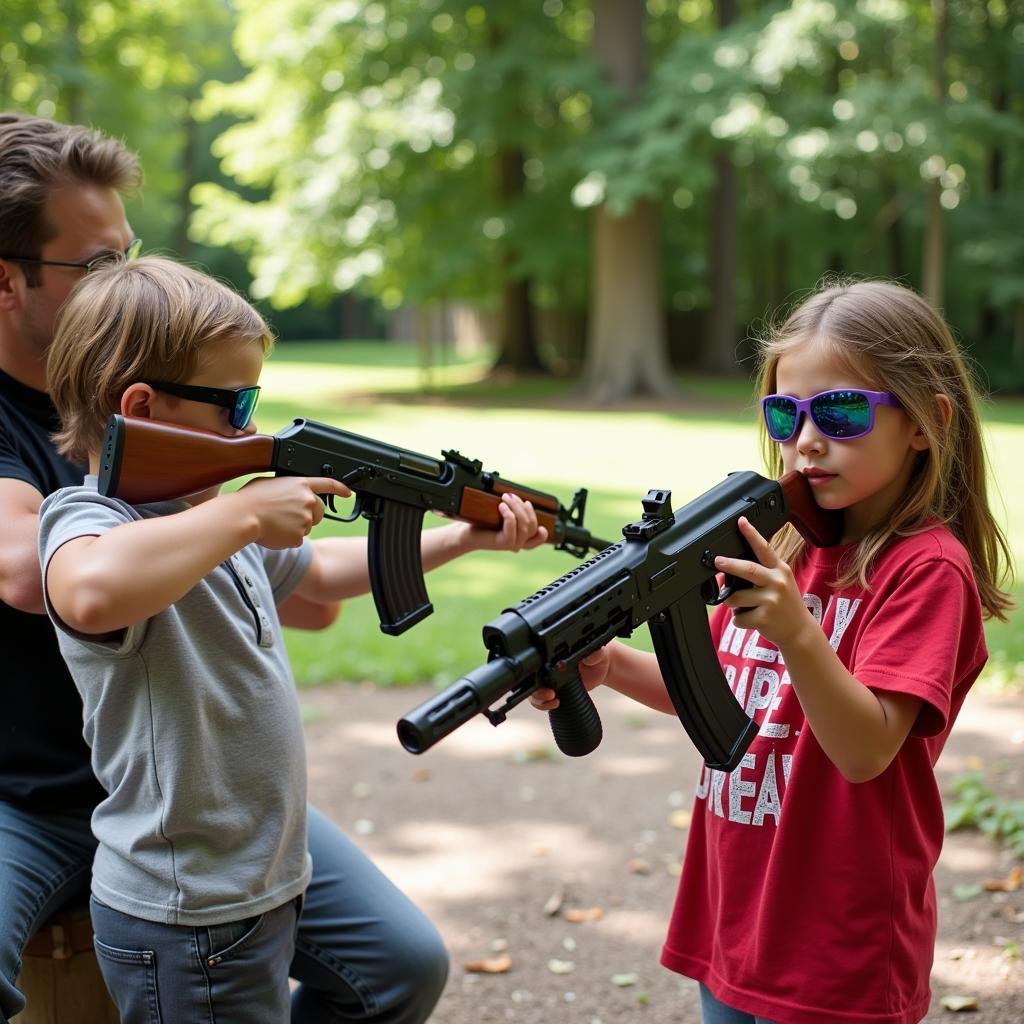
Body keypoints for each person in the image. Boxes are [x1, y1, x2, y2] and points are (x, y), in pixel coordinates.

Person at [0, 114, 544, 1023]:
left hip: (220, 826)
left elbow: (312, 590)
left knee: (401, 966)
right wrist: (245, 506)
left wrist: (457, 536)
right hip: (43, 799)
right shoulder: (101, 507)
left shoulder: (195, 490)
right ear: (8, 280)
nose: (124, 277)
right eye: (98, 266)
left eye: (131, 253)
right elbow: (51, 578)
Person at [533, 279, 1014, 1024]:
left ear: (926, 422)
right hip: (736, 909)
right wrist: (606, 666)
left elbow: (866, 750)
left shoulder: (926, 569)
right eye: (785, 414)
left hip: (840, 943)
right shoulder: (785, 539)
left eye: (844, 412)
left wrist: (798, 632)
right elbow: (723, 690)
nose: (807, 440)